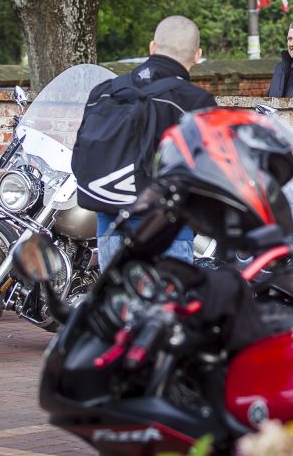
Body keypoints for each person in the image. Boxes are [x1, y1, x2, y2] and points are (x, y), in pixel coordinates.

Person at [91, 15, 216, 268]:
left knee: (116, 295)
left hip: (109, 229)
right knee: (165, 297)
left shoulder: (106, 91)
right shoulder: (197, 102)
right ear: (197, 55)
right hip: (169, 234)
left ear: (152, 47)